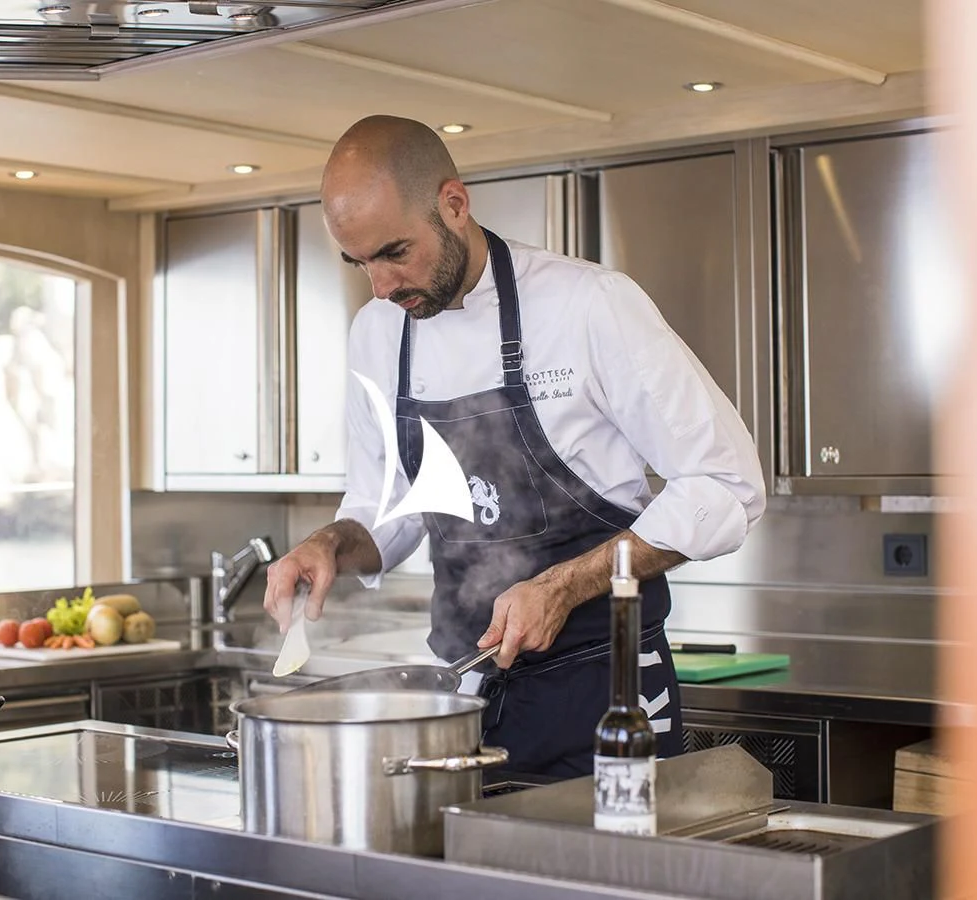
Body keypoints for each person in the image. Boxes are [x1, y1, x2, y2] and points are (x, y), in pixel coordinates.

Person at [263, 115, 766, 777]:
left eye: (394, 252)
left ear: (454, 204)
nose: (380, 287)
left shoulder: (589, 306)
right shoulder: (378, 334)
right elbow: (394, 507)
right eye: (358, 263)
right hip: (462, 703)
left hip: (606, 696)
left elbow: (726, 486)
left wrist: (563, 585)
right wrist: (329, 542)